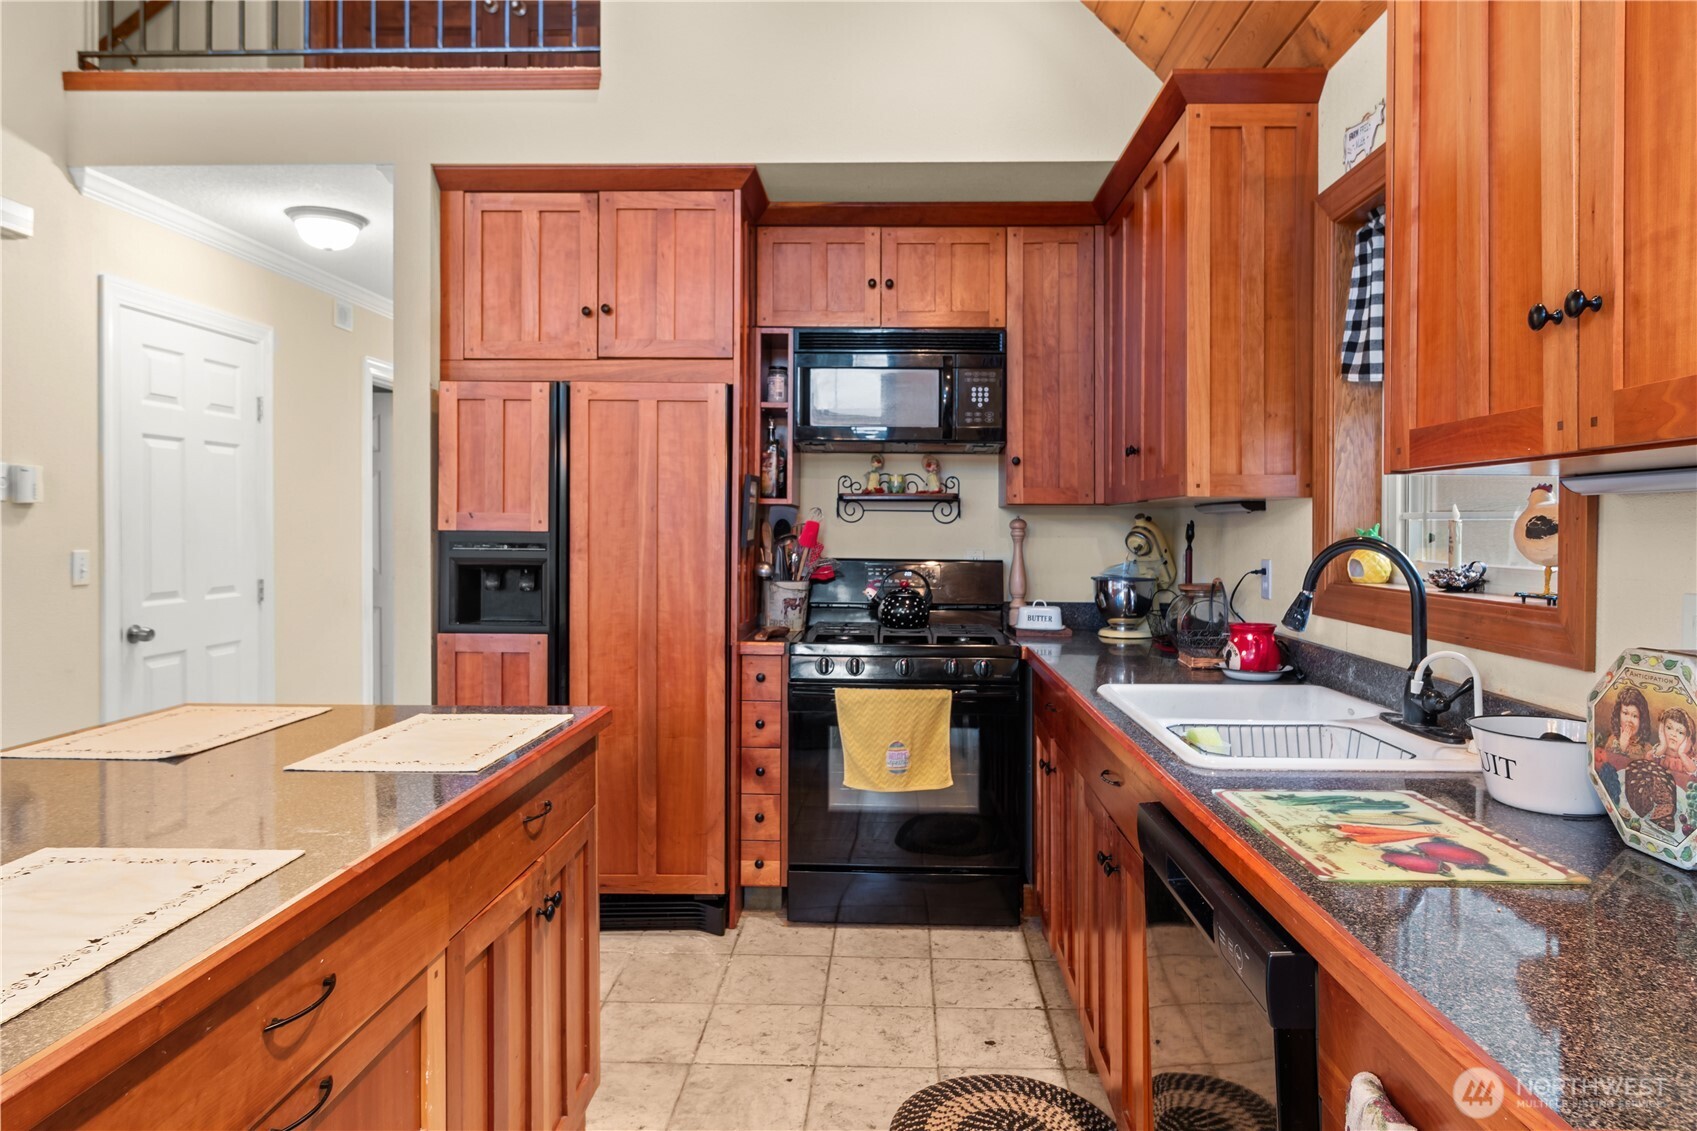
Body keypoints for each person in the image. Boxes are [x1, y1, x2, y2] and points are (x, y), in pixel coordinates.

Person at [1596, 686, 1652, 770]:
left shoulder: (1646, 748)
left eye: (1634, 716)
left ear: (1642, 720)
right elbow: (1607, 766)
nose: (1629, 720)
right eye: (1625, 713)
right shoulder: (1612, 740)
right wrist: (1622, 747)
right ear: (1619, 715)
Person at [1652, 706, 1695, 777]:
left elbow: (1693, 771)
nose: (1673, 734)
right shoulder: (1658, 752)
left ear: (1688, 738)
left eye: (1680, 732)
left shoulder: (1687, 760)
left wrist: (1682, 754)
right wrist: (1663, 746)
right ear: (1662, 729)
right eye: (1669, 728)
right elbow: (1648, 761)